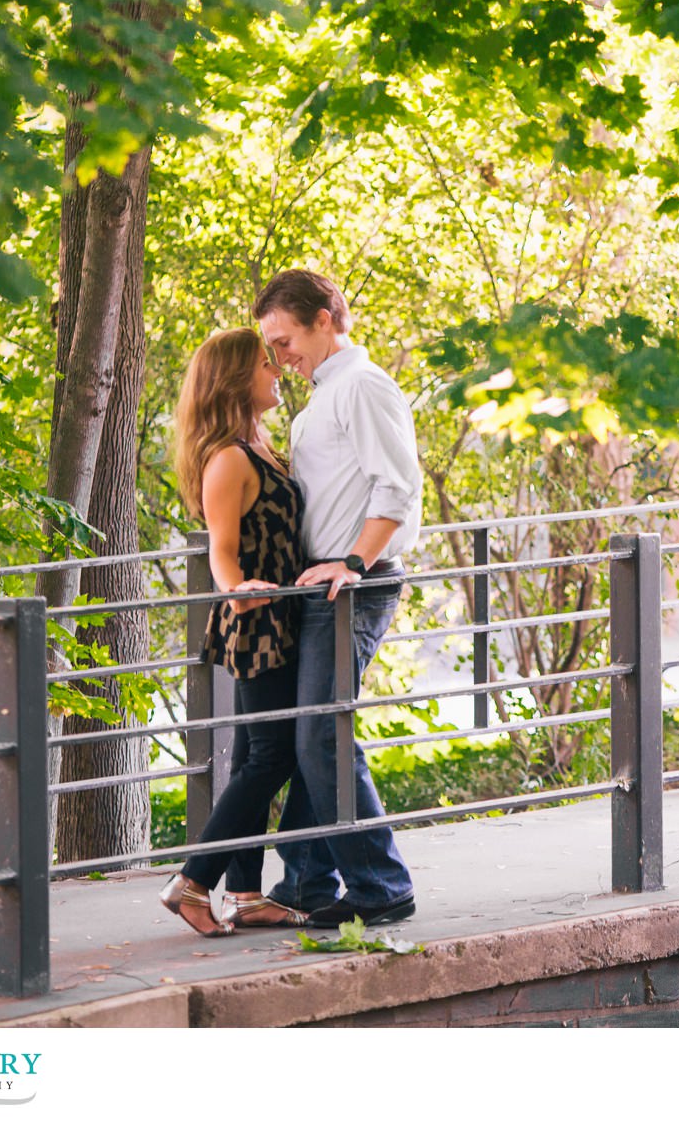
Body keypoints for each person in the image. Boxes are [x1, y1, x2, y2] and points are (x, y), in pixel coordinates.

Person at [254, 268, 420, 928]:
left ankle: (382, 886)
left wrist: (353, 562)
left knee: (323, 731)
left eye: (285, 339)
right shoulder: (326, 395)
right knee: (309, 734)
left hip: (354, 584)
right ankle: (306, 882)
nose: (279, 356)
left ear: (326, 318)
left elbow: (397, 488)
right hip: (319, 584)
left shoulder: (363, 386)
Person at [158, 328, 312, 936]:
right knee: (272, 757)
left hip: (280, 613)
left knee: (255, 755)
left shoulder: (260, 446)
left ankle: (246, 894)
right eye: (264, 363)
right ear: (233, 379)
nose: (276, 369)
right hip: (258, 620)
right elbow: (222, 549)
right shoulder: (227, 457)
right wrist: (234, 587)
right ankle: (193, 882)